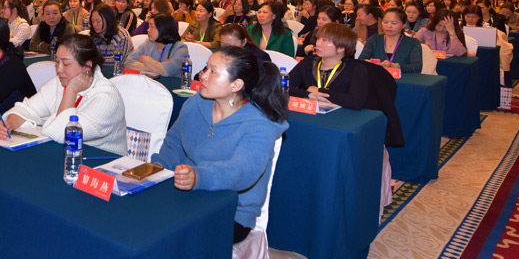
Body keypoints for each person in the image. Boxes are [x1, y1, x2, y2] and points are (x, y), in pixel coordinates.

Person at [151, 47, 289, 242]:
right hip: (188, 194)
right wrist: (158, 167)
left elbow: (242, 171)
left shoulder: (258, 124)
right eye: (206, 68)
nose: (203, 75)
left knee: (164, 234)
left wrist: (199, 177)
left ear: (236, 85)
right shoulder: (196, 103)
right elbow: (174, 143)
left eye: (213, 71)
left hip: (232, 211)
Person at [0, 35, 127, 154]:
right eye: (58, 62)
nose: (59, 69)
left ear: (87, 66)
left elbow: (62, 133)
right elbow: (27, 108)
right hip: (67, 156)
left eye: (66, 64)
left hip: (99, 164)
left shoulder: (107, 98)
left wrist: (71, 90)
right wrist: (9, 124)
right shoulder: (59, 83)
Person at [288, 22, 369, 109]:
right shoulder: (308, 63)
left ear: (341, 48)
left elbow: (356, 102)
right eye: (318, 39)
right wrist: (308, 94)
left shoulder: (355, 69)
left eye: (324, 40)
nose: (318, 43)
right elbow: (282, 87)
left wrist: (319, 91)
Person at [357, 7, 423, 73]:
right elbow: (360, 61)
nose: (389, 26)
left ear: (404, 25)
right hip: (377, 77)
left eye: (394, 23)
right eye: (385, 22)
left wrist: (395, 66)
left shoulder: (412, 43)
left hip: (403, 78)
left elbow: (417, 68)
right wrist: (368, 63)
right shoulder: (374, 39)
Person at [124, 14, 190, 77]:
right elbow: (128, 63)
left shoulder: (180, 48)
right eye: (148, 27)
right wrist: (159, 67)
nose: (148, 30)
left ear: (163, 28)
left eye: (152, 27)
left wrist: (145, 59)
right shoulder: (148, 43)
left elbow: (167, 72)